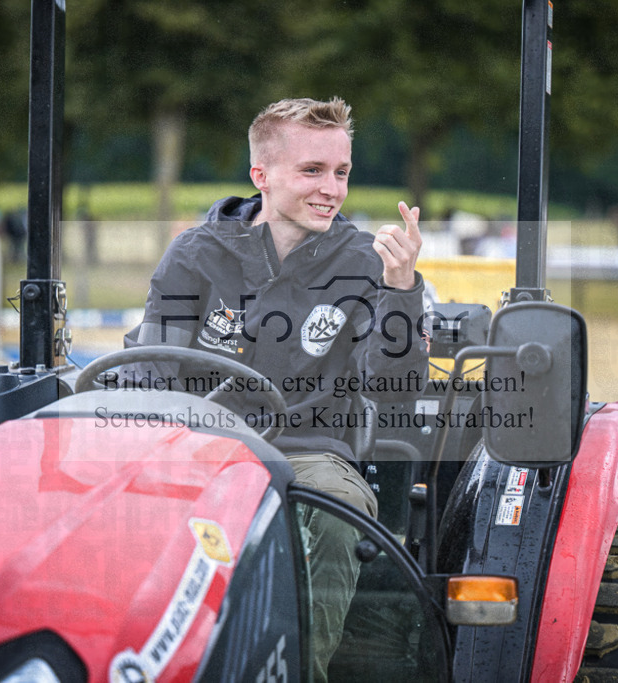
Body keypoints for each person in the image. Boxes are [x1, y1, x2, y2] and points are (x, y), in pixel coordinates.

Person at [120, 97, 429, 680]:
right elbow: (152, 366)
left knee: (338, 512)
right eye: (312, 171)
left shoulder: (368, 264)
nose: (331, 189)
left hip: (310, 452)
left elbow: (394, 391)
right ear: (260, 175)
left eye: (341, 172)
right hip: (203, 442)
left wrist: (401, 288)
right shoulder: (196, 253)